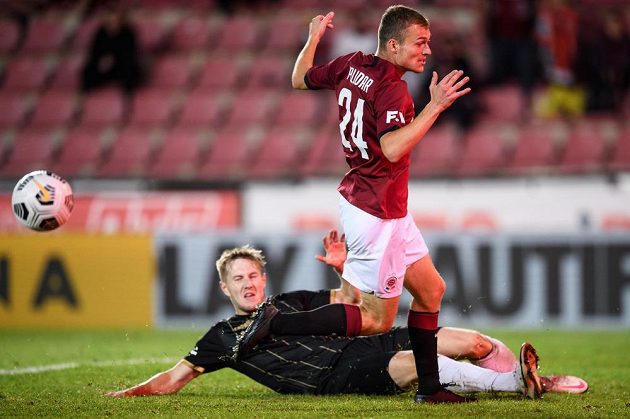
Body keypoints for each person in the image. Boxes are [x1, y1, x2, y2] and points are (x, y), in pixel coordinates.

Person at [237, 5, 472, 404]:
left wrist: (313, 38)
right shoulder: (393, 87)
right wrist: (435, 106)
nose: (427, 51)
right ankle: (276, 323)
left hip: (382, 206)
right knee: (376, 318)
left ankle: (430, 389)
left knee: (431, 289)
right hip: (375, 209)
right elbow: (393, 148)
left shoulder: (351, 64)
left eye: (428, 42)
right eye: (420, 42)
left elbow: (299, 79)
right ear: (393, 44)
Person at [106, 243, 586, 400]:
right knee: (426, 362)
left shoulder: (288, 301)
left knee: (474, 340)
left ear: (262, 277)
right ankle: (519, 386)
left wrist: (342, 267)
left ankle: (521, 376)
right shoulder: (219, 338)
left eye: (253, 275)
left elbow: (355, 303)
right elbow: (173, 379)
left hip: (360, 346)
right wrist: (127, 393)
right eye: (239, 280)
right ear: (224, 289)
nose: (248, 284)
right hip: (333, 376)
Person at [80, 5, 142, 95]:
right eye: (109, 17)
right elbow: (95, 51)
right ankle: (87, 98)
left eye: (114, 18)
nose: (111, 20)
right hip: (104, 65)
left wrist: (114, 59)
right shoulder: (100, 32)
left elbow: (130, 53)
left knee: (129, 70)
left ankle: (128, 97)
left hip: (121, 64)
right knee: (88, 70)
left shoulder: (128, 32)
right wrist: (101, 60)